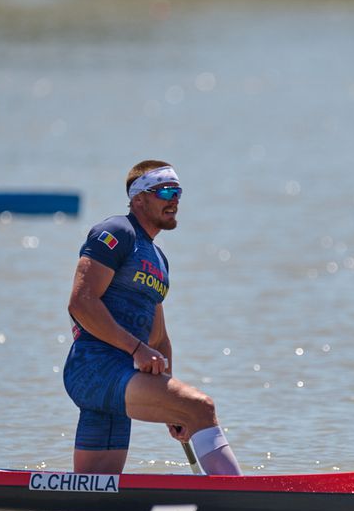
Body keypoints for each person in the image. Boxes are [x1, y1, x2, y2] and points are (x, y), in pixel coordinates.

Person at [62, 160, 242, 475]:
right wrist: (136, 350)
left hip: (120, 376)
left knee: (95, 488)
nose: (174, 200)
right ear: (139, 199)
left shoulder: (159, 259)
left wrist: (169, 396)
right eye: (165, 191)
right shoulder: (116, 231)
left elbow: (158, 338)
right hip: (95, 367)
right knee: (200, 407)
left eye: (178, 192)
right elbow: (81, 302)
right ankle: (241, 499)